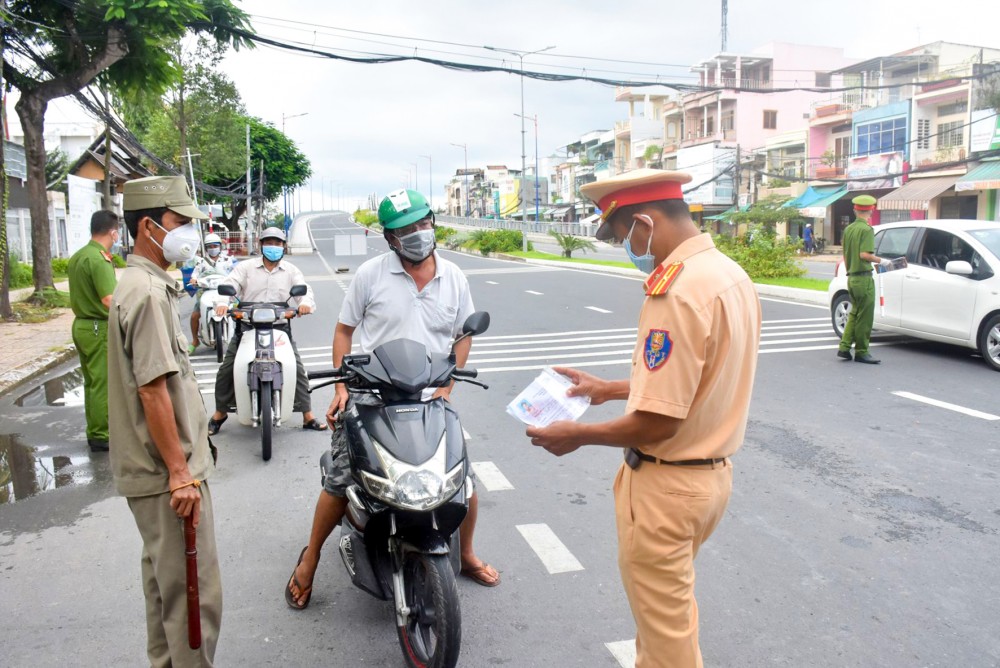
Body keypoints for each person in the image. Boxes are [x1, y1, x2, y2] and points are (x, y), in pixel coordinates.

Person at [525, 169, 761, 668]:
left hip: (666, 490)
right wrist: (607, 389)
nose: (627, 249)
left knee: (665, 645)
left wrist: (578, 436)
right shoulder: (728, 275)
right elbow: (695, 381)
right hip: (709, 482)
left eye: (622, 236)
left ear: (644, 223)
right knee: (670, 617)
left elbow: (658, 423)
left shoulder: (675, 291)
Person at [285, 188, 499, 611]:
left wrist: (448, 385)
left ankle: (467, 552)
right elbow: (345, 331)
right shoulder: (370, 274)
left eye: (423, 223)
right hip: (371, 391)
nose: (419, 233)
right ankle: (309, 558)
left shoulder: (454, 276)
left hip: (428, 392)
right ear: (390, 238)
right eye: (407, 229)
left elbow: (464, 334)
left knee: (462, 479)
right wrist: (342, 386)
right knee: (342, 477)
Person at [107, 175, 222, 666]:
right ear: (149, 226)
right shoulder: (149, 295)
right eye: (180, 223)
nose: (188, 235)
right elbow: (153, 391)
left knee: (166, 594)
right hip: (166, 477)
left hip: (154, 477)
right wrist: (180, 473)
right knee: (196, 604)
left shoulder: (142, 285)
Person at [208, 226, 327, 433]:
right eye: (269, 242)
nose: (273, 246)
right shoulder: (245, 268)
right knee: (227, 369)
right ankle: (220, 413)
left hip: (279, 328)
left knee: (297, 368)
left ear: (284, 246)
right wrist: (222, 302)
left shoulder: (291, 271)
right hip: (246, 327)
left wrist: (305, 304)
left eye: (278, 243)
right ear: (261, 245)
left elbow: (305, 292)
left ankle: (308, 415)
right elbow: (230, 285)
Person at [67, 209, 120, 452]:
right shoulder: (99, 259)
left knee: (91, 382)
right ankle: (102, 434)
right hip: (98, 327)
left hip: (81, 324)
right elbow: (109, 300)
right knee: (102, 382)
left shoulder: (78, 256)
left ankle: (94, 430)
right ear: (113, 232)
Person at [837, 194, 898, 364]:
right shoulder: (866, 230)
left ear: (855, 210)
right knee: (865, 317)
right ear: (871, 210)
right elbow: (864, 254)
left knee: (854, 313)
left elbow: (845, 254)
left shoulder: (849, 229)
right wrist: (882, 261)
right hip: (863, 278)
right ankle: (862, 351)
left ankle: (844, 347)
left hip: (852, 278)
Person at [186, 232, 236, 353]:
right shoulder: (201, 262)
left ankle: (239, 338)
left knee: (238, 314)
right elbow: (195, 274)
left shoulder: (228, 260)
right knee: (194, 316)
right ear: (206, 248)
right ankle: (194, 341)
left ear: (220, 246)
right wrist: (193, 280)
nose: (213, 249)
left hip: (224, 292)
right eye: (210, 246)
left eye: (215, 246)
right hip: (205, 291)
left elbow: (236, 272)